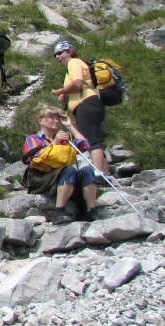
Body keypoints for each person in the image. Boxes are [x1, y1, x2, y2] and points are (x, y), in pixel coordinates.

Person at [23, 105, 98, 222]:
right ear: (40, 120)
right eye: (50, 117)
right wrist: (55, 141)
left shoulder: (64, 140)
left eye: (57, 118)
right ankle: (59, 211)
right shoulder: (33, 139)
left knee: (87, 171)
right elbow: (34, 157)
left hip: (63, 175)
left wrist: (71, 127)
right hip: (42, 177)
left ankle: (91, 210)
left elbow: (85, 146)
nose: (56, 120)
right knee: (69, 170)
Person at [50, 40, 110, 176]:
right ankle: (105, 173)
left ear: (69, 52)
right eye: (55, 55)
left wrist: (60, 91)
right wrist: (66, 93)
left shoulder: (73, 62)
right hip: (91, 104)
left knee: (90, 140)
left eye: (60, 53)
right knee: (94, 138)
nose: (57, 57)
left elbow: (77, 84)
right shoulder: (76, 64)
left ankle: (98, 172)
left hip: (86, 104)